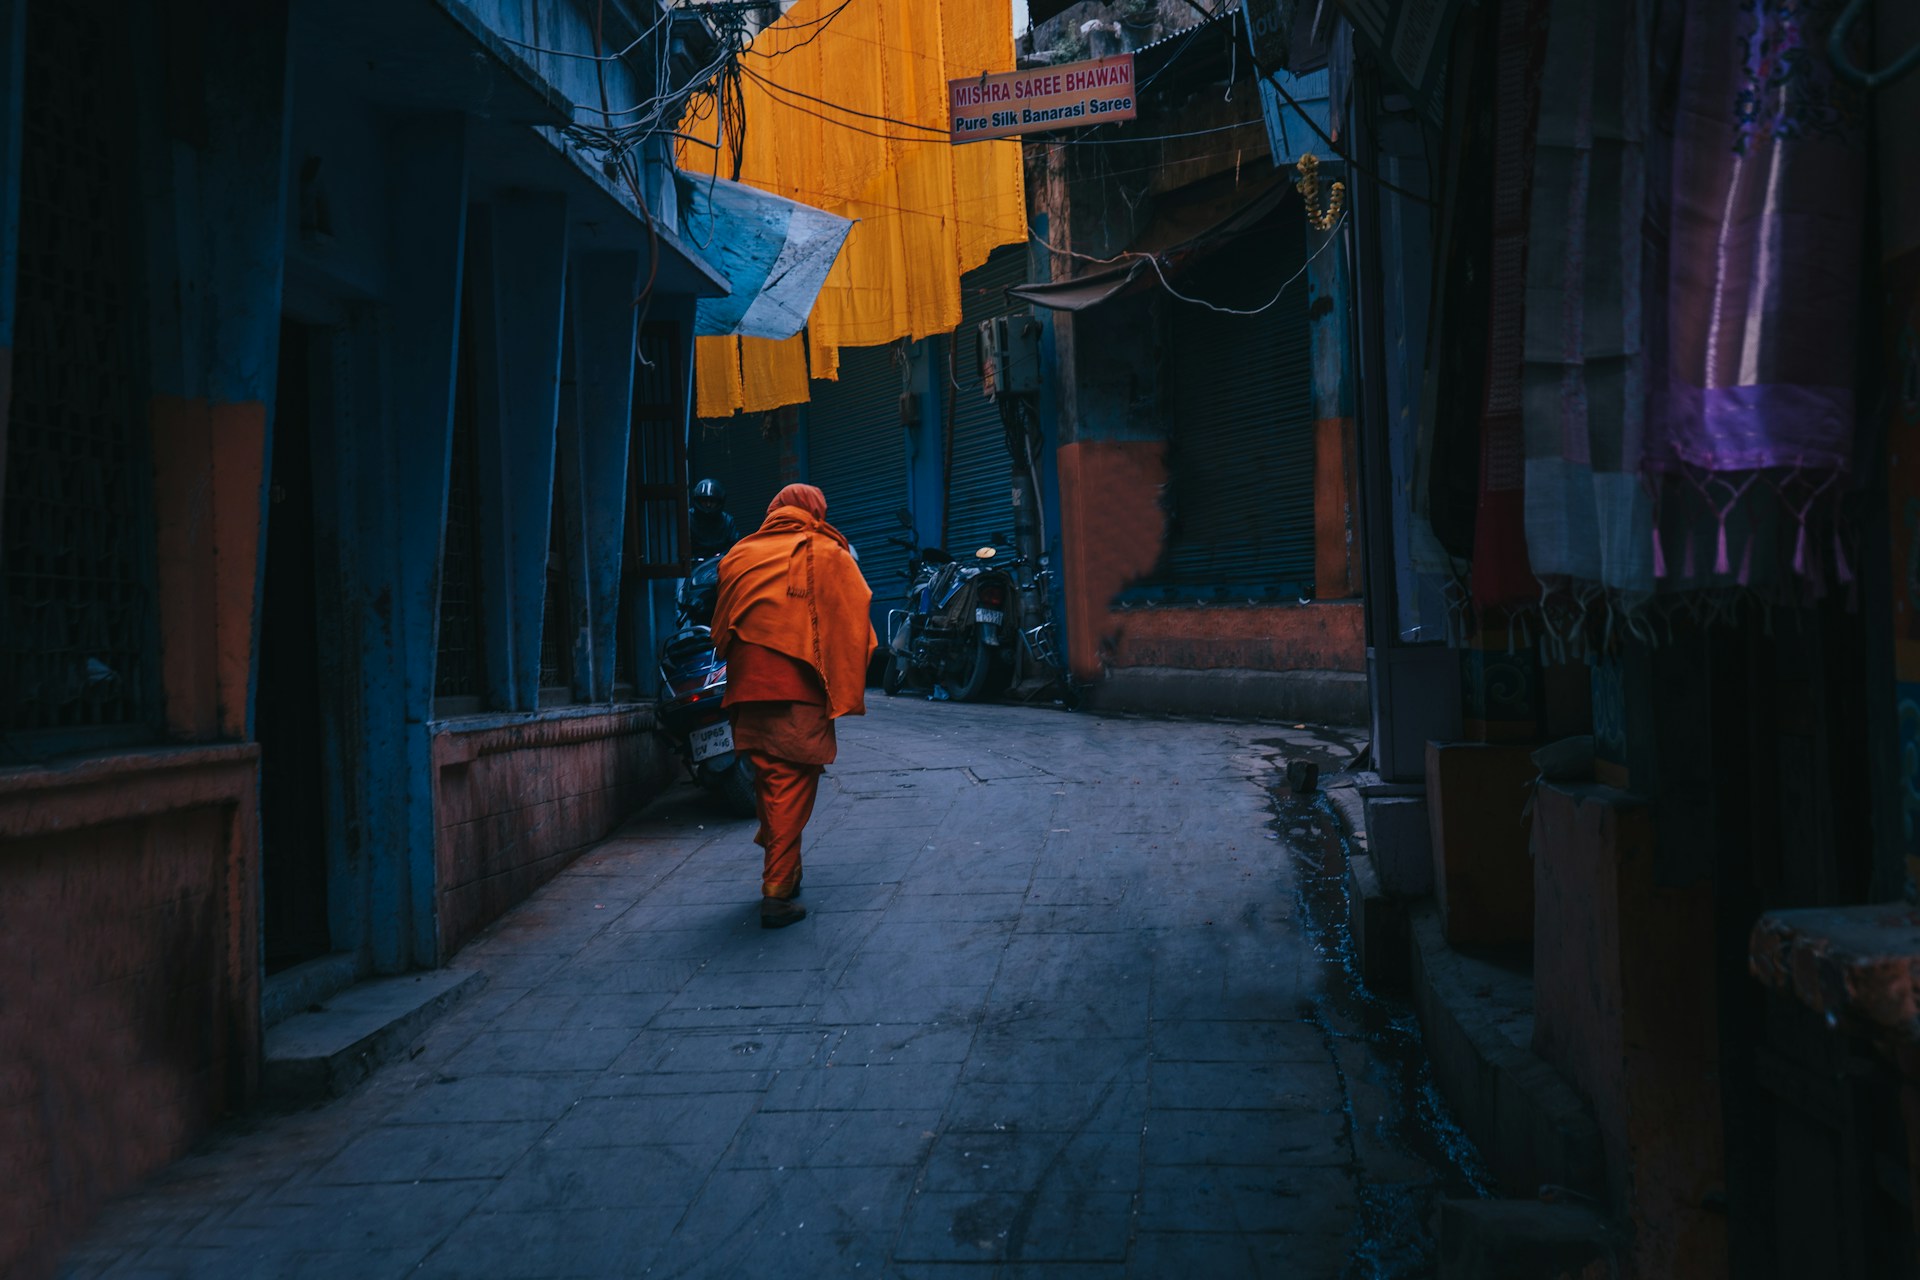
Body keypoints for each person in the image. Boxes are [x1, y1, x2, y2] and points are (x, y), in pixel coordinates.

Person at [709, 484, 876, 928]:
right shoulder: (825, 551)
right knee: (788, 785)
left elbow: (721, 623)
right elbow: (855, 615)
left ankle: (789, 869)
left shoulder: (739, 553)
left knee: (769, 781)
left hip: (744, 691)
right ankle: (777, 894)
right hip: (794, 693)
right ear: (814, 511)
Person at [688, 478, 740, 561]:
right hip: (694, 567)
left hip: (721, 564)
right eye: (704, 501)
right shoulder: (688, 519)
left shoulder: (727, 520)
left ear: (719, 502)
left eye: (712, 501)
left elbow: (735, 547)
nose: (708, 505)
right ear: (698, 500)